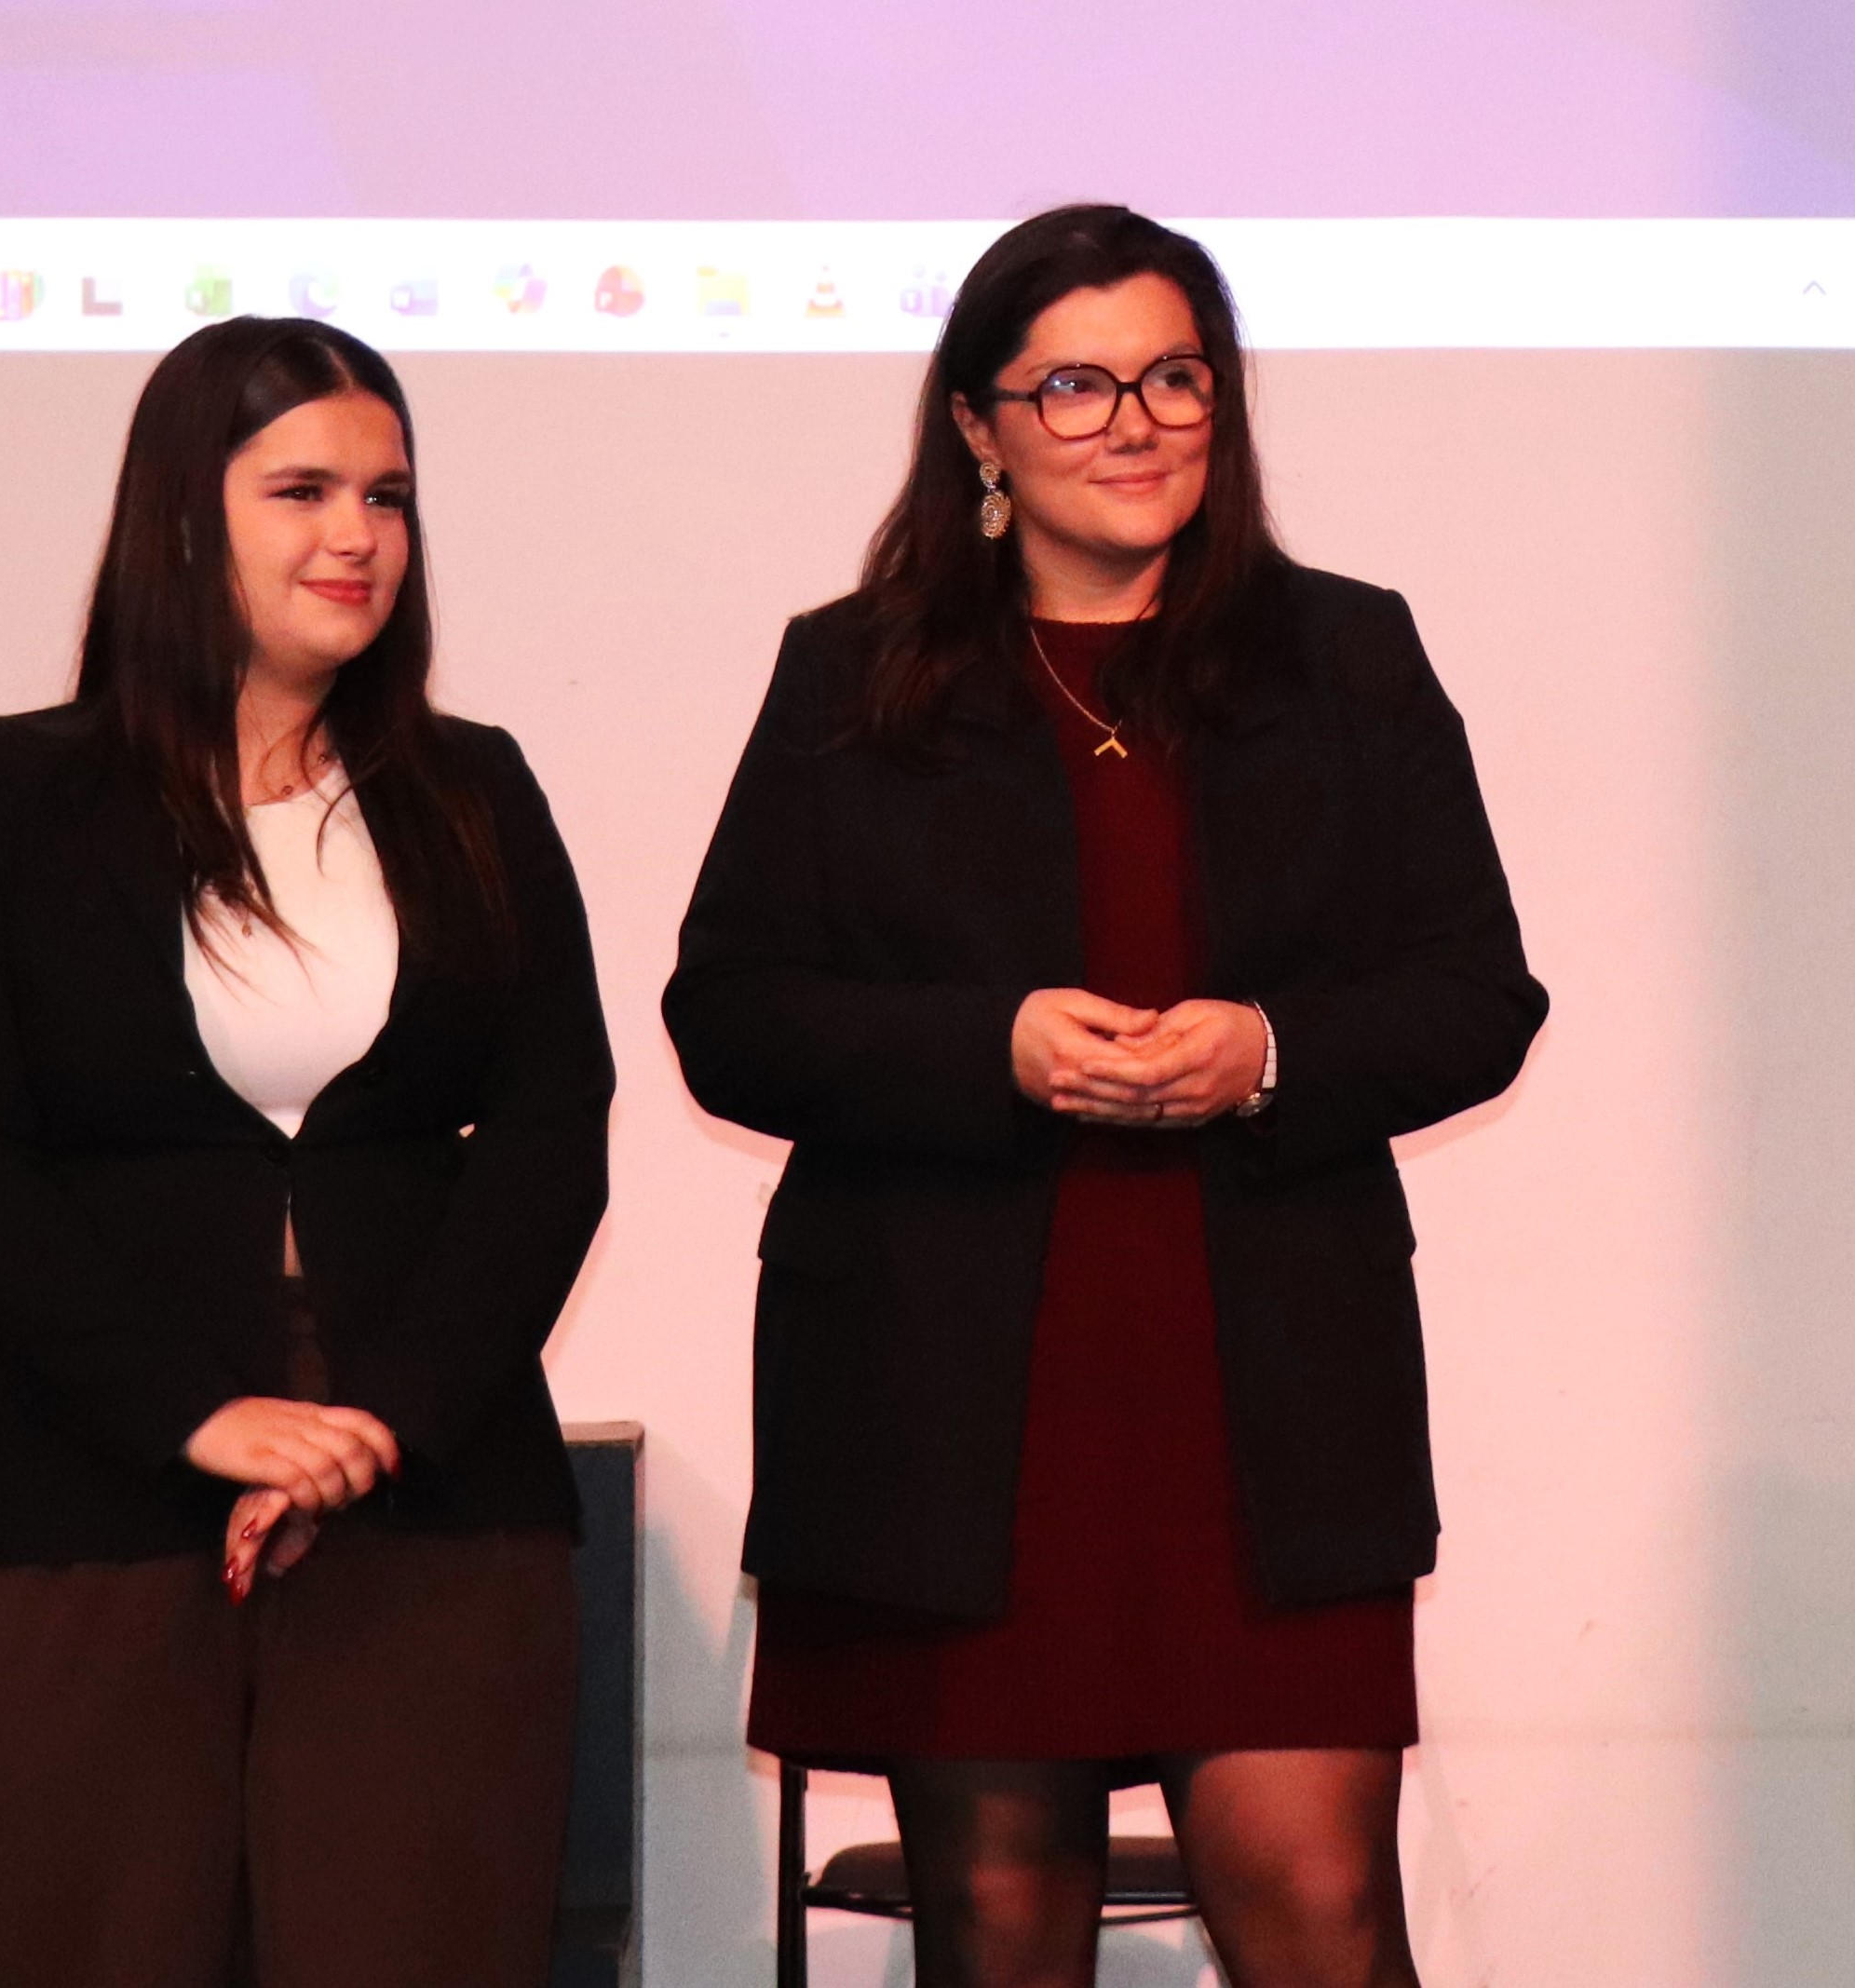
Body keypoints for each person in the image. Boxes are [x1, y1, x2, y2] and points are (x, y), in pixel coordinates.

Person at [664, 206, 1546, 1988]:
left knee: (1320, 1909)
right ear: (978, 427)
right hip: (948, 1412)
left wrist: (1269, 1050)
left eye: (1174, 378)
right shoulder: (854, 674)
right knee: (998, 1932)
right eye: (1075, 386)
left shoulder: (1346, 657)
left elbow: (1478, 996)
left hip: (1264, 1400)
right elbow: (729, 1015)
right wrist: (986, 1047)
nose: (1134, 423)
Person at [0, 315, 612, 1988]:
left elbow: (552, 1138)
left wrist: (377, 1424)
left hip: (432, 1489)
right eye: (303, 491)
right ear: (184, 519)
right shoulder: (9, 793)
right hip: (95, 1479)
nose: (358, 535)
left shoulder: (476, 788)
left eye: (387, 495)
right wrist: (197, 1417)